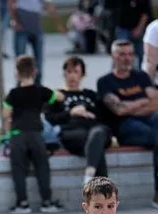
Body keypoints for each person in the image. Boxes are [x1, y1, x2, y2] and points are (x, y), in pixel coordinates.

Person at [98, 40, 158, 208]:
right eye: (122, 54)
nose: (127, 58)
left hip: (148, 121)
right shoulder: (105, 82)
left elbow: (157, 105)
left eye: (130, 54)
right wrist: (144, 102)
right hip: (125, 128)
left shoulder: (141, 77)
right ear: (113, 56)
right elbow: (118, 111)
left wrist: (129, 105)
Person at [3, 55, 66, 214]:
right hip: (36, 134)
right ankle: (46, 201)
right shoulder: (41, 91)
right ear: (35, 72)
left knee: (18, 168)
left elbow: (5, 113)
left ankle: (22, 203)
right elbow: (57, 98)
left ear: (17, 73)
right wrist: (58, 94)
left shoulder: (13, 93)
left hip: (18, 135)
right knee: (42, 166)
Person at [46, 56, 111, 184]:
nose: (72, 76)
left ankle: (90, 177)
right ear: (64, 74)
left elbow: (103, 115)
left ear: (82, 75)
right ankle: (104, 192)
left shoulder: (91, 95)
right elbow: (50, 118)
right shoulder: (58, 95)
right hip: (72, 132)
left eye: (76, 72)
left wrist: (86, 109)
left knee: (97, 134)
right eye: (69, 72)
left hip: (95, 130)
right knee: (95, 146)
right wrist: (71, 112)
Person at [8, 0, 63, 85]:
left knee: (39, 59)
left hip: (36, 26)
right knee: (21, 58)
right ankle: (20, 84)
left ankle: (37, 84)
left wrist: (58, 23)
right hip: (22, 24)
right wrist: (15, 21)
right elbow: (11, 2)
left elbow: (49, 6)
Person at [116, 0, 152, 68]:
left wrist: (139, 28)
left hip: (138, 28)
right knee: (121, 51)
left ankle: (139, 74)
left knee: (140, 54)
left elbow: (145, 14)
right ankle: (119, 71)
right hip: (123, 27)